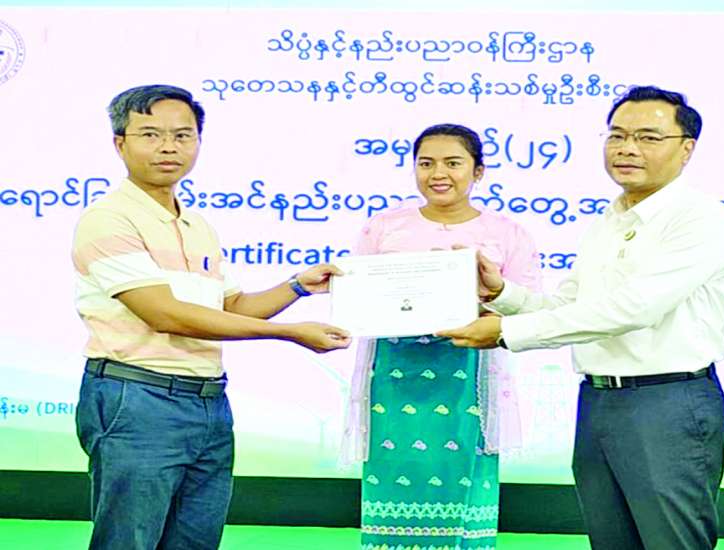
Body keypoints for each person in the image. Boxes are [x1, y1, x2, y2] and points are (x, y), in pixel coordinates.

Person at [438, 86, 724, 549]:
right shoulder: (609, 220)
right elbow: (573, 306)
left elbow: (632, 309)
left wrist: (506, 332)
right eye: (617, 135)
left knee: (671, 541)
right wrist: (501, 295)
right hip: (599, 401)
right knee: (610, 540)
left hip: (667, 401)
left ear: (686, 149)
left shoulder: (700, 218)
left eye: (647, 137)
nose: (627, 148)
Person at [71, 84, 351, 550]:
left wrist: (299, 285)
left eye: (182, 135)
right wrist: (287, 333)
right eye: (151, 135)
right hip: (137, 397)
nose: (168, 147)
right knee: (129, 541)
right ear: (120, 143)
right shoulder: (109, 219)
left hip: (207, 402)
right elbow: (165, 314)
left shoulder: (197, 224)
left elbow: (231, 307)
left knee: (195, 541)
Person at [340, 124, 541, 550]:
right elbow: (357, 295)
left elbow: (530, 306)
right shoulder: (384, 227)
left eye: (453, 163)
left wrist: (482, 299)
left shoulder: (507, 233)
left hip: (471, 370)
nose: (438, 174)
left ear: (478, 171)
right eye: (426, 163)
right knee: (394, 463)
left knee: (464, 468)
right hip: (394, 372)